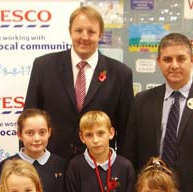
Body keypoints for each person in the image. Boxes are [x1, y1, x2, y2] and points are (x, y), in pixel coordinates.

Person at [123, 33, 193, 192]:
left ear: (192, 60)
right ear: (159, 62)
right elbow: (129, 154)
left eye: (181, 59)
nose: (174, 65)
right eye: (168, 59)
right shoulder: (142, 101)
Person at [24, 5, 134, 160]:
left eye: (91, 31)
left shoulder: (120, 74)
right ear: (70, 31)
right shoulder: (44, 66)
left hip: (99, 169)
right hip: (51, 165)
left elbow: (126, 131)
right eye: (79, 30)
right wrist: (26, 162)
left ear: (100, 34)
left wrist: (123, 171)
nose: (84, 37)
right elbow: (28, 119)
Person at [0, 108, 67, 192]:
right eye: (30, 133)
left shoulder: (62, 165)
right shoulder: (6, 166)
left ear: (49, 132)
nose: (36, 138)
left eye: (42, 132)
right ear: (20, 135)